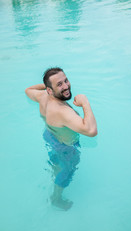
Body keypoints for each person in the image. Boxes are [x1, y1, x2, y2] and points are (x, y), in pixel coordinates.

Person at [25, 67, 97, 210]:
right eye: (59, 84)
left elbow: (28, 90)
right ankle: (56, 198)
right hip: (66, 147)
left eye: (65, 80)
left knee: (57, 164)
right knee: (68, 170)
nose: (66, 86)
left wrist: (48, 87)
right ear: (50, 90)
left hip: (50, 135)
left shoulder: (42, 97)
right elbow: (91, 131)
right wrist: (85, 103)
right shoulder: (62, 111)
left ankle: (55, 170)